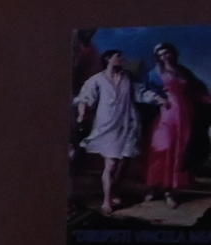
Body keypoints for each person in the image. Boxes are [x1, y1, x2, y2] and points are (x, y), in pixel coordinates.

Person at [75, 48, 154, 215]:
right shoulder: (97, 79)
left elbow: (141, 93)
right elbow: (85, 98)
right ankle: (107, 200)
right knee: (111, 164)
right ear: (108, 59)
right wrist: (82, 113)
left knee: (123, 162)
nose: (122, 59)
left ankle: (114, 190)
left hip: (127, 124)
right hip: (108, 125)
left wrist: (158, 99)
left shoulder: (128, 77)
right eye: (119, 57)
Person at [144, 41, 207, 204]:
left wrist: (205, 98)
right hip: (167, 113)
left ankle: (169, 190)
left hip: (185, 114)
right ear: (158, 57)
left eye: (167, 53)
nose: (165, 57)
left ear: (173, 53)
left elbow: (197, 89)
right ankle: (153, 186)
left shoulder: (183, 71)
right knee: (163, 148)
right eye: (161, 54)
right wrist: (159, 99)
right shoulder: (154, 73)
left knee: (179, 150)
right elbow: (146, 91)